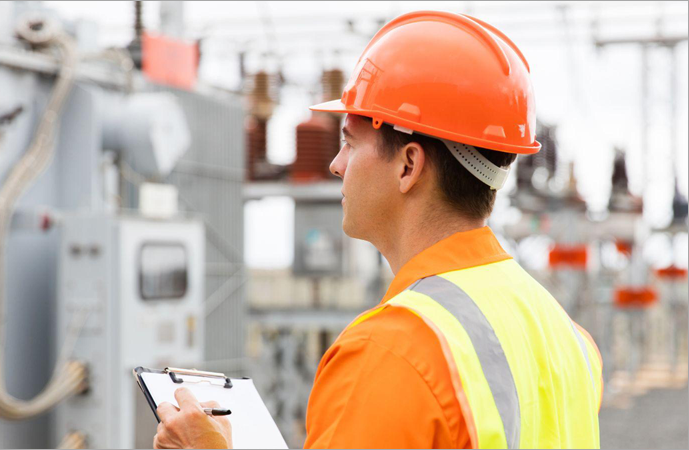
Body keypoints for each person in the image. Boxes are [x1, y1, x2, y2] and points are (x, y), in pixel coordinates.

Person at [153, 10, 602, 449]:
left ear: (408, 165)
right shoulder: (565, 335)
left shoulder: (391, 353)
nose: (335, 164)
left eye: (349, 141)